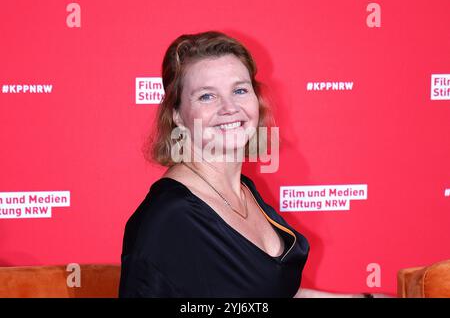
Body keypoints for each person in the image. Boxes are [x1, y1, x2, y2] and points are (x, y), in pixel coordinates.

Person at [119, 31, 378, 298]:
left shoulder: (244, 190)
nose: (229, 107)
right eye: (207, 96)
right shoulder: (169, 218)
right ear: (178, 116)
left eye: (240, 90)